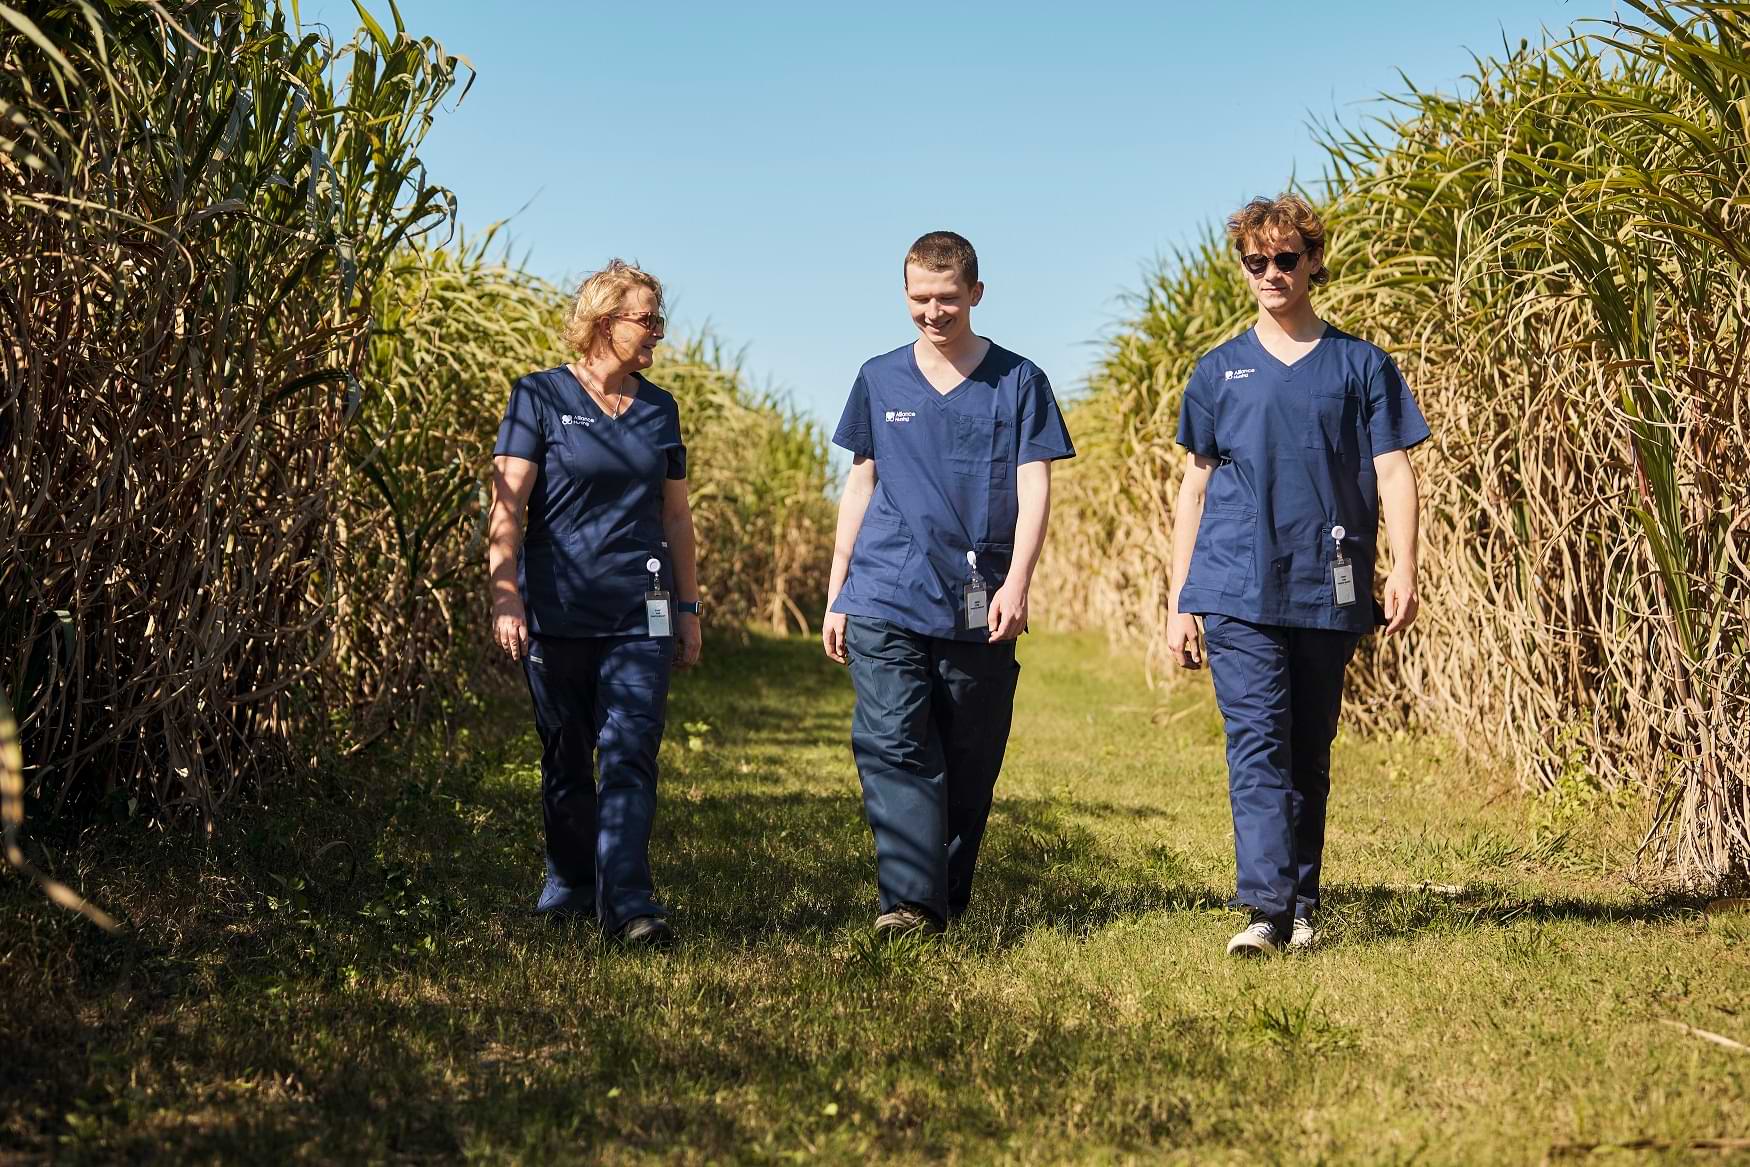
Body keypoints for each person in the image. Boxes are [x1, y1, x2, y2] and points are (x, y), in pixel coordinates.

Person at [1167, 194, 1429, 957]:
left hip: (1329, 581)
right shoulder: (1218, 372)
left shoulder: (1361, 365)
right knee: (1256, 741)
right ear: (1243, 267)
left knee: (1307, 744)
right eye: (1257, 261)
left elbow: (1394, 468)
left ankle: (1301, 899)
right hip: (1234, 585)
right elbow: (1194, 485)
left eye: (1286, 258)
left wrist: (1404, 564)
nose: (1272, 273)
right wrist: (1181, 598)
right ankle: (1264, 909)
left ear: (1313, 260)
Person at [821, 231, 1076, 936]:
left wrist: (1017, 582)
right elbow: (860, 481)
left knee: (969, 756)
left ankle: (943, 896)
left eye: (947, 299)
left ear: (976, 294)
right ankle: (908, 901)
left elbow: (1036, 485)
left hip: (979, 597)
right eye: (919, 299)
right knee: (895, 742)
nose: (933, 312)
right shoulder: (879, 377)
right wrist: (838, 588)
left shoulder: (1019, 381)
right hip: (885, 589)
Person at [486, 260, 702, 948]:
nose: (657, 336)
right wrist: (505, 593)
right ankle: (573, 880)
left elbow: (676, 519)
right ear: (604, 322)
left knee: (632, 751)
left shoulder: (659, 408)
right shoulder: (539, 397)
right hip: (558, 609)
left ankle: (631, 904)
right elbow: (507, 505)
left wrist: (689, 607)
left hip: (641, 611)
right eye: (647, 321)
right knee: (568, 756)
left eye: (657, 321)